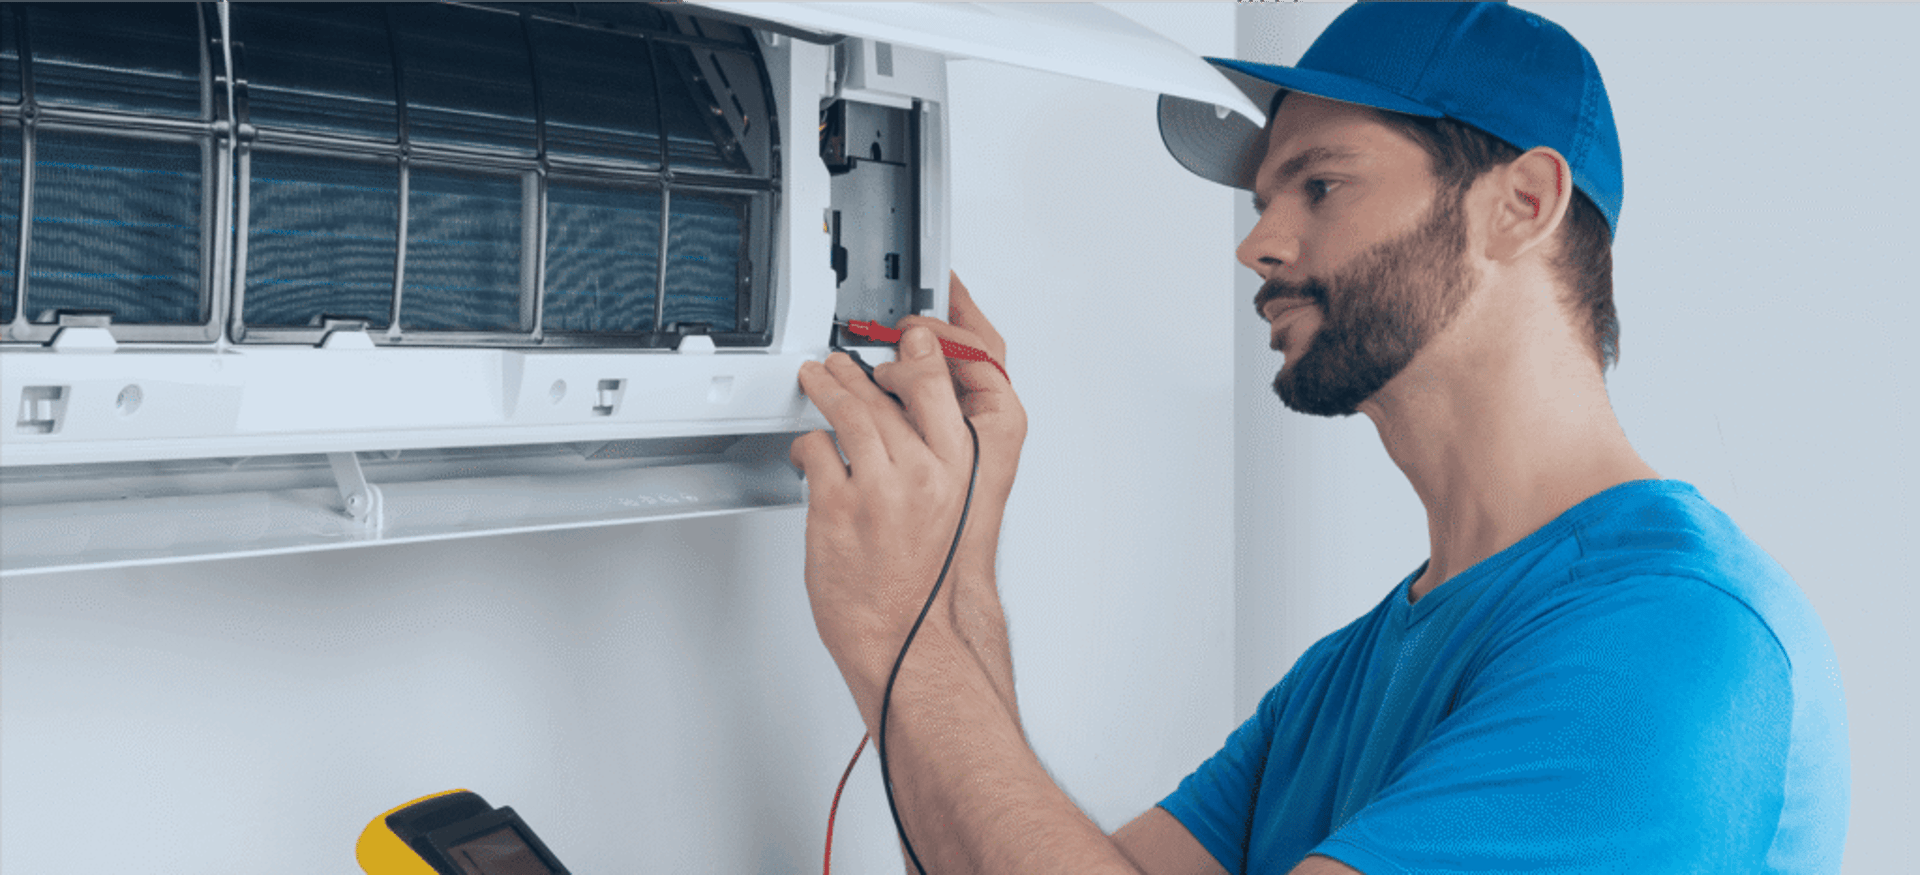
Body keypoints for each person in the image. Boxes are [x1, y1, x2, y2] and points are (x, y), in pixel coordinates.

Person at [788, 2, 1849, 873]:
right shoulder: (1343, 676)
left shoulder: (1674, 641)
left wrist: (897, 634)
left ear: (1521, 203)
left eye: (1321, 184)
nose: (1258, 243)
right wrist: (955, 568)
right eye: (1263, 198)